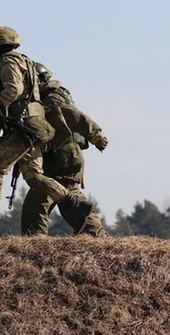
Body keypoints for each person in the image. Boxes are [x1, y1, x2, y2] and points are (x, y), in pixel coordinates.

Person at [0, 27, 94, 238]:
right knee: (36, 177)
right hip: (35, 127)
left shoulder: (8, 61)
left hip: (21, 128)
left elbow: (14, 90)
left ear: (0, 43)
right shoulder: (27, 62)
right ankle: (74, 204)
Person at [20, 63, 108, 236]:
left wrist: (96, 135)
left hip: (61, 157)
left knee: (37, 203)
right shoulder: (51, 96)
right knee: (71, 197)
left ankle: (34, 243)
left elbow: (73, 115)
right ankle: (97, 236)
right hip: (68, 156)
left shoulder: (51, 98)